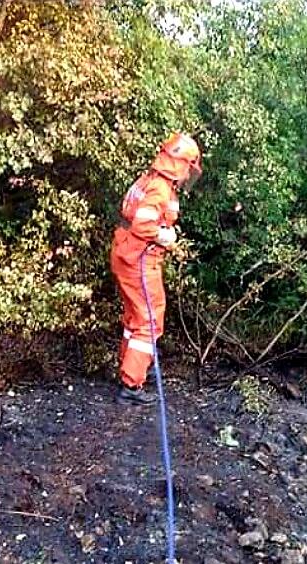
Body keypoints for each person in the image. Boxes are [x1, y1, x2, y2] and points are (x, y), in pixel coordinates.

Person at [111, 132, 202, 405]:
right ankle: (132, 384)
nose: (189, 175)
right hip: (139, 259)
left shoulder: (149, 179)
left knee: (135, 317)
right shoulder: (160, 188)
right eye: (189, 168)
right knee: (150, 321)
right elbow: (143, 225)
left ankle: (129, 370)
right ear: (180, 163)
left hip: (127, 253)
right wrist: (165, 236)